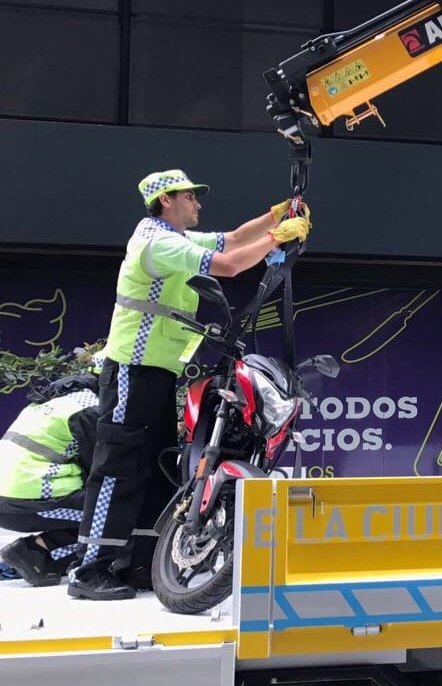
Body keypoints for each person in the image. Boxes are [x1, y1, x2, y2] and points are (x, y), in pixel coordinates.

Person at [69, 169, 313, 601]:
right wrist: (278, 237)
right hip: (132, 368)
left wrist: (274, 216)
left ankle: (135, 564)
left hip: (157, 371)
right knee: (119, 465)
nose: (198, 203)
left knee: (155, 466)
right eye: (190, 196)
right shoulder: (157, 242)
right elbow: (232, 264)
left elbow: (235, 239)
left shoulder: (172, 236)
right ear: (166, 200)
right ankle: (90, 570)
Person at [0, 372, 101, 586]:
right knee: (114, 513)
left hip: (13, 495)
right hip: (31, 497)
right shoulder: (90, 409)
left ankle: (39, 559)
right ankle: (36, 549)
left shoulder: (54, 400)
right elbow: (99, 471)